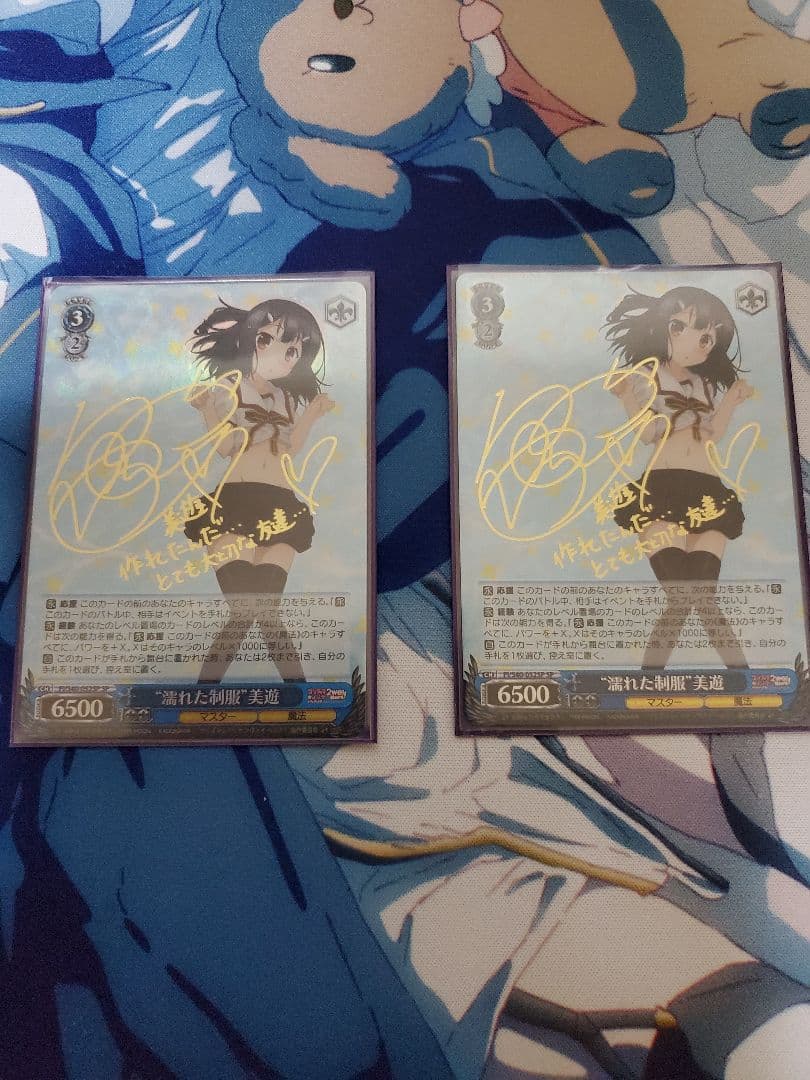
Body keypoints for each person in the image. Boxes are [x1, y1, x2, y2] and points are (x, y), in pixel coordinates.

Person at [183, 298, 335, 683]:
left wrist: (312, 415)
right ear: (251, 339)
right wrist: (207, 411)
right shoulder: (230, 387)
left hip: (280, 508)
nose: (283, 356)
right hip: (235, 505)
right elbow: (225, 447)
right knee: (244, 612)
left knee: (268, 613)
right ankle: (203, 695)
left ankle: (300, 696)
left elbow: (289, 448)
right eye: (269, 339)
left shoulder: (286, 398)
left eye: (294, 351)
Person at [605, 286, 754, 669]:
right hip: (662, 491)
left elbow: (712, 434)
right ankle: (650, 681)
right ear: (663, 329)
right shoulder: (647, 375)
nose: (697, 343)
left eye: (707, 339)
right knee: (681, 598)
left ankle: (744, 679)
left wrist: (731, 401)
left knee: (703, 598)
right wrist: (627, 397)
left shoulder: (706, 384)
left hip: (708, 493)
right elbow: (647, 433)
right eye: (682, 328)